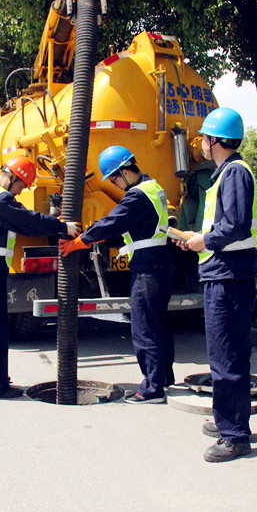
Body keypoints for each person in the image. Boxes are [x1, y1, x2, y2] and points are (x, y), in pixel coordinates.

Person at [173, 107, 257, 462]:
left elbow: (235, 225)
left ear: (216, 141)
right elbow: (224, 225)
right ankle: (229, 421)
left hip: (228, 275)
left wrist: (203, 241)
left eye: (205, 139)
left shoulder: (235, 173)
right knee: (224, 354)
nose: (202, 145)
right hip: (222, 273)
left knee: (227, 356)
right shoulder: (226, 173)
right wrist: (197, 238)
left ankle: (235, 436)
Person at [60, 145, 174, 404]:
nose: (114, 184)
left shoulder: (137, 195)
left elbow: (113, 222)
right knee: (159, 324)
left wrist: (80, 241)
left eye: (113, 179)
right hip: (160, 263)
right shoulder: (153, 187)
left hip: (147, 266)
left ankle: (152, 389)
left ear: (124, 171)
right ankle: (164, 378)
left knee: (144, 328)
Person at [0, 156, 80, 399]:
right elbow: (29, 222)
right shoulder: (1, 199)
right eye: (22, 186)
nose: (20, 191)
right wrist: (63, 227)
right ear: (13, 177)